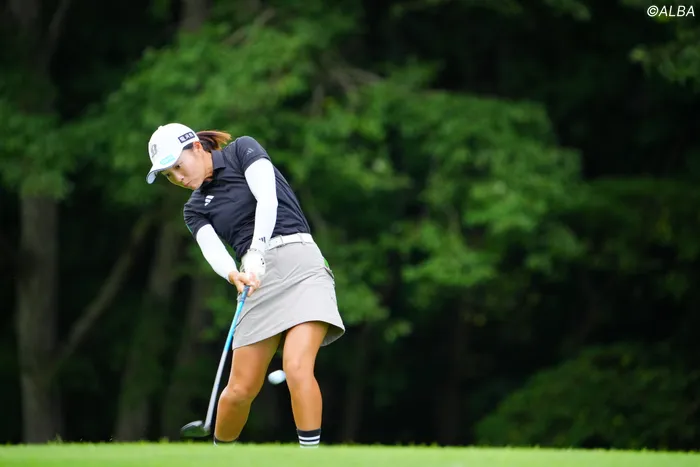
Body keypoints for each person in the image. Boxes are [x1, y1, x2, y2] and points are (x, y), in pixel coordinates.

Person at [145, 122, 345, 448]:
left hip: (301, 265)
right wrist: (232, 274)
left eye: (178, 166)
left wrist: (256, 251)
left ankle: (310, 458)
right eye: (169, 175)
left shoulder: (242, 151)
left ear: (197, 147)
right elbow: (213, 250)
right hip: (256, 280)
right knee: (239, 390)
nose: (178, 178)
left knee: (296, 367)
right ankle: (220, 456)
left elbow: (267, 200)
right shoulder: (194, 209)